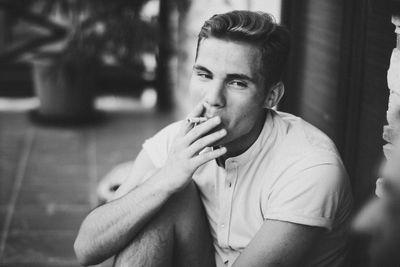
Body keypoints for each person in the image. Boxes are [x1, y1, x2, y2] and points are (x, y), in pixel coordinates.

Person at [74, 10, 353, 267]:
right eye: (204, 75)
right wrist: (166, 178)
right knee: (163, 196)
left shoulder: (310, 168)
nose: (213, 98)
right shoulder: (178, 141)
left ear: (272, 96)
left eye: (236, 82)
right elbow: (85, 248)